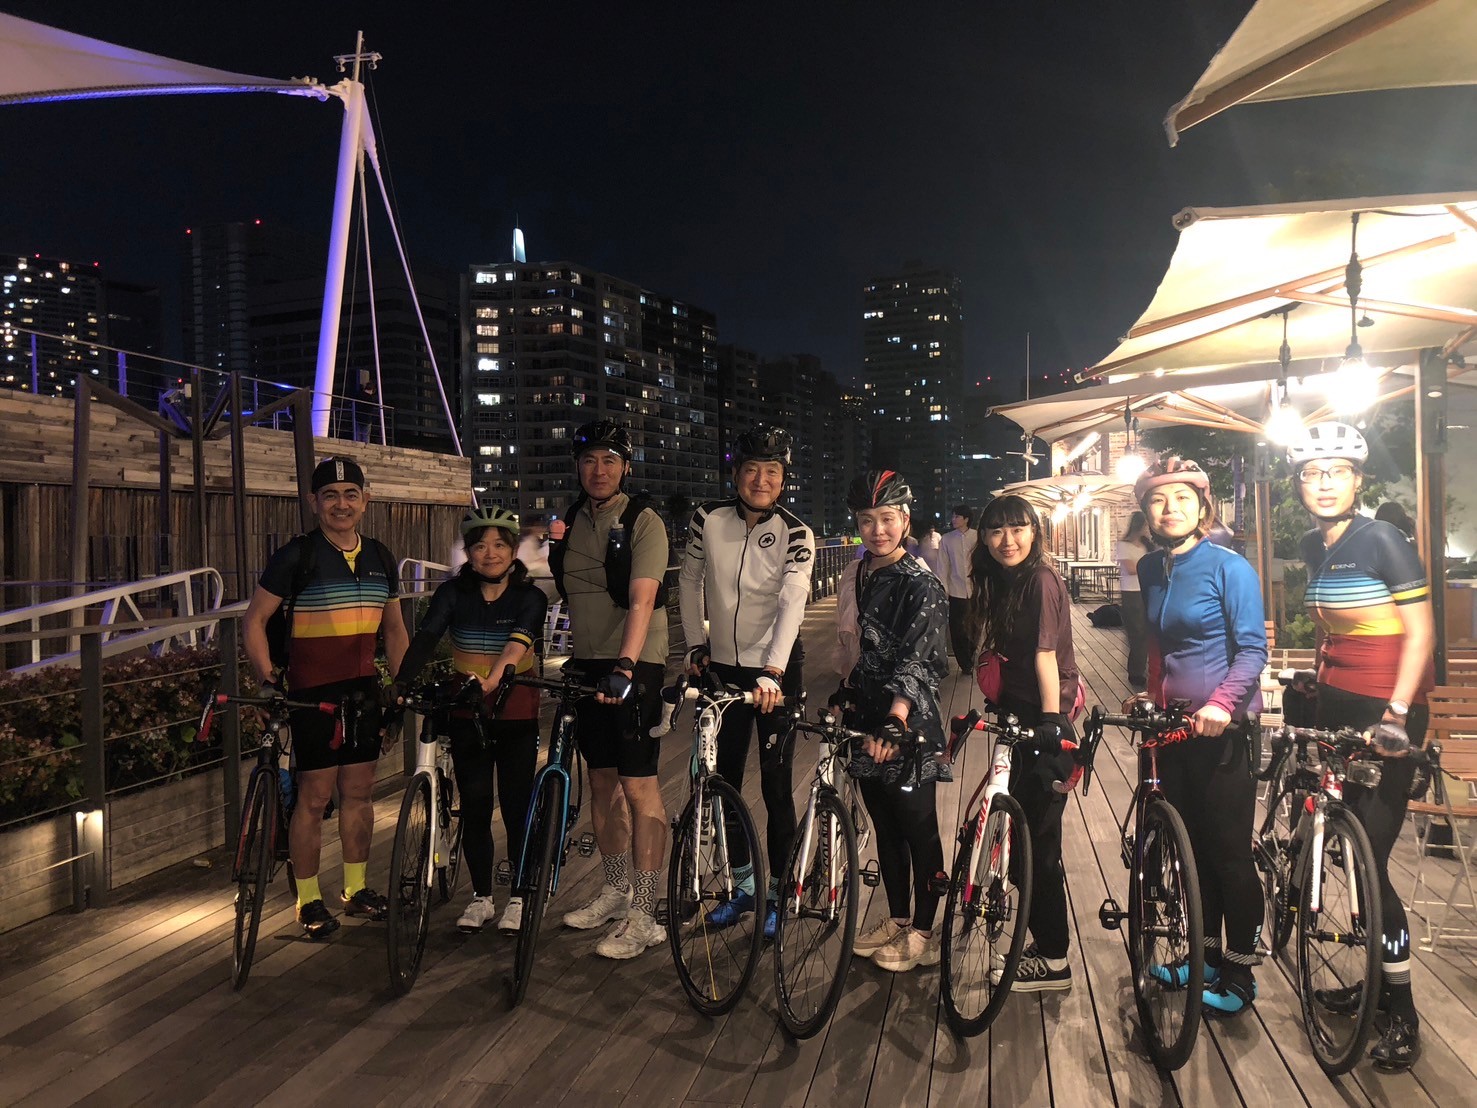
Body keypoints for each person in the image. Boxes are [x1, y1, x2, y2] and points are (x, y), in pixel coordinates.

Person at [1290, 422, 1434, 1069]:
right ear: (1298, 483)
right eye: (1311, 472)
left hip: (1387, 715)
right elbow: (1336, 629)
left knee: (1369, 861)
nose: (1324, 483)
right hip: (1337, 710)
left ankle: (1400, 1011)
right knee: (1346, 853)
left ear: (1358, 479)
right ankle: (1373, 981)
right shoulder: (1315, 546)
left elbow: (1420, 633)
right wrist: (1313, 679)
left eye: (1337, 471)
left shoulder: (1382, 540)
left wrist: (1396, 713)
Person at [242, 456, 410, 938]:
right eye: (330, 495)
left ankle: (355, 890)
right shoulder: (296, 555)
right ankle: (308, 899)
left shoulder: (380, 555)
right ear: (313, 502)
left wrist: (400, 688)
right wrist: (267, 680)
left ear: (365, 501)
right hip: (311, 693)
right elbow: (254, 620)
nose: (341, 504)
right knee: (313, 798)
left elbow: (394, 630)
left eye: (350, 494)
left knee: (359, 794)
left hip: (364, 691)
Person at [1132, 456, 1266, 1015]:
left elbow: (1253, 650)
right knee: (1191, 852)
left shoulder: (1230, 567)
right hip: (1174, 728)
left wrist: (1221, 705)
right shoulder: (1150, 568)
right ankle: (1205, 958)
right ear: (1146, 512)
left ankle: (1239, 974)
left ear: (1202, 507)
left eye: (1183, 498)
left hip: (1223, 728)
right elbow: (1158, 645)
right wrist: (1148, 694)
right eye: (1159, 500)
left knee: (1229, 854)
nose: (1171, 509)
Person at [679, 424, 815, 939]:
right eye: (752, 470)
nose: (761, 480)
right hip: (722, 667)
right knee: (723, 782)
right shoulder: (707, 519)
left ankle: (779, 892)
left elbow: (793, 600)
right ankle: (744, 888)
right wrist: (695, 645)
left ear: (783, 479)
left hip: (775, 669)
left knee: (776, 786)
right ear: (735, 474)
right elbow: (689, 580)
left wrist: (773, 669)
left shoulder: (796, 532)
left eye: (772, 471)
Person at [393, 506, 548, 935]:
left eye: (499, 545)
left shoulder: (530, 597)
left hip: (515, 708)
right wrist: (401, 681)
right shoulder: (452, 593)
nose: (490, 554)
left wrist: (491, 682)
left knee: (516, 806)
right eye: (480, 546)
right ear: (469, 553)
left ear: (513, 551)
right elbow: (428, 636)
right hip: (467, 708)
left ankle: (518, 897)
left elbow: (516, 646)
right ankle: (481, 897)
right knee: (475, 806)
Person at [550, 419, 670, 959]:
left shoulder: (643, 520)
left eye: (610, 460)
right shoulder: (573, 519)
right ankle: (617, 891)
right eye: (589, 460)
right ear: (578, 467)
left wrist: (626, 665)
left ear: (626, 467)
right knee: (601, 782)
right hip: (587, 661)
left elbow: (642, 599)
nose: (599, 470)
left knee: (639, 786)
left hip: (635, 662)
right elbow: (560, 588)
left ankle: (645, 913)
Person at [834, 470, 951, 972]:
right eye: (867, 520)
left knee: (918, 827)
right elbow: (865, 648)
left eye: (887, 518)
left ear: (905, 519)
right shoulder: (862, 572)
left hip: (906, 724)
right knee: (884, 824)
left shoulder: (921, 582)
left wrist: (896, 719)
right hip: (868, 718)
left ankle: (924, 930)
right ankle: (899, 918)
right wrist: (847, 691)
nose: (877, 530)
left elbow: (921, 658)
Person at [964, 493, 1080, 991]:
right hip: (1017, 715)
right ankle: (1044, 945)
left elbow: (1045, 654)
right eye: (996, 531)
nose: (1006, 540)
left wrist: (1051, 720)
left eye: (1018, 529)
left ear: (1035, 532)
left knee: (1038, 848)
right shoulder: (1003, 580)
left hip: (1044, 723)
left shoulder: (1041, 580)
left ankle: (1054, 961)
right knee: (1018, 835)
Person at [937, 505, 979, 675]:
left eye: (957, 516)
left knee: (975, 627)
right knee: (957, 629)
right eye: (953, 516)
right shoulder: (946, 539)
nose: (953, 519)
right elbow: (943, 566)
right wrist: (944, 590)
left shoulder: (977, 537)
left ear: (966, 519)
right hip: (955, 591)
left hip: (975, 590)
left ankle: (971, 655)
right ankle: (964, 663)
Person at [1115, 510, 1154, 690]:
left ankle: (1144, 668)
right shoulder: (1123, 545)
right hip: (1131, 592)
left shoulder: (1146, 544)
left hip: (1145, 590)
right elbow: (1131, 568)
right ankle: (1136, 672)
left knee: (1147, 632)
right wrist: (1147, 566)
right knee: (1136, 633)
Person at [518, 514, 559, 603]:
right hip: (536, 584)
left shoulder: (534, 542)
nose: (541, 529)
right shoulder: (527, 544)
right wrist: (539, 562)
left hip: (541, 582)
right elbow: (522, 567)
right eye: (537, 526)